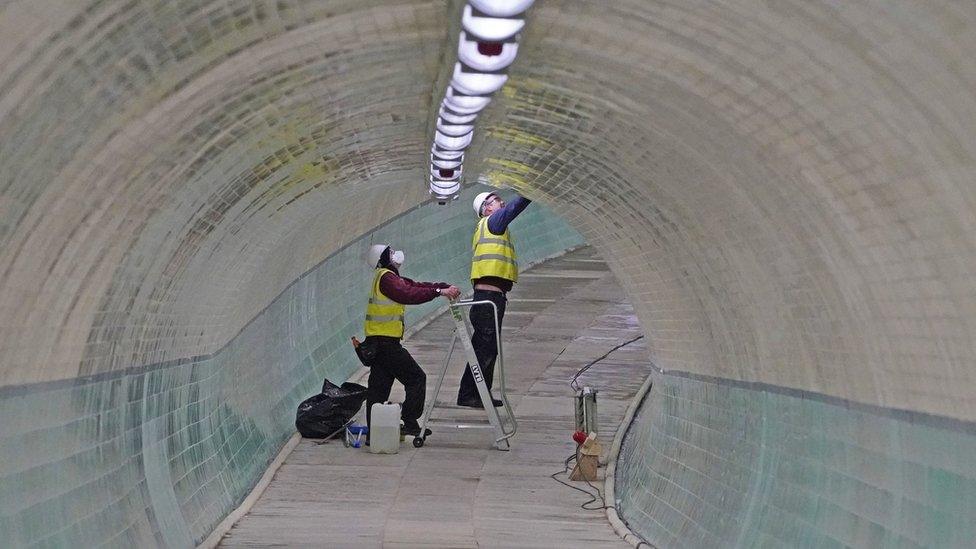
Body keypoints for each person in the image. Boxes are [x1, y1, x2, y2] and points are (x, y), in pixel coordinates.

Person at [363, 244, 461, 438]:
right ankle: (409, 420)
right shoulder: (387, 278)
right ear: (383, 259)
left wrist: (441, 287)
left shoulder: (389, 277)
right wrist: (438, 293)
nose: (394, 255)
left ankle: (374, 435)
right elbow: (408, 294)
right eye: (389, 253)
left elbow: (415, 286)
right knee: (416, 378)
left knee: (378, 389)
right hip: (386, 344)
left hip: (379, 343)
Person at [457, 191, 531, 408]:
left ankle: (476, 393)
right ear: (486, 209)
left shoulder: (487, 228)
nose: (501, 202)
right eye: (496, 200)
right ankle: (471, 394)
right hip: (487, 300)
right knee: (485, 349)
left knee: (486, 348)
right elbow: (515, 208)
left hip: (490, 299)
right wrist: (531, 190)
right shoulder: (493, 222)